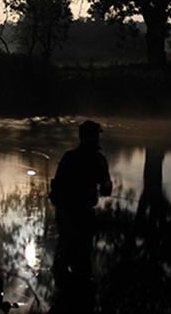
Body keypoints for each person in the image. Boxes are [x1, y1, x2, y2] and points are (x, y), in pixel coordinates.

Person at [49, 120, 113, 291]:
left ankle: (63, 295)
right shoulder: (98, 160)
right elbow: (107, 188)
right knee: (82, 259)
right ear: (89, 137)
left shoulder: (69, 157)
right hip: (81, 216)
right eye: (95, 135)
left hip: (67, 214)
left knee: (64, 256)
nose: (98, 139)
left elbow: (56, 187)